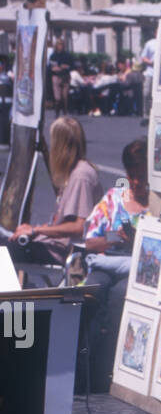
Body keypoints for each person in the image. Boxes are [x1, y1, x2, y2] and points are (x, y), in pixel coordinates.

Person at [3, 117, 103, 286]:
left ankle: (13, 308)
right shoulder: (75, 171)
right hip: (54, 244)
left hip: (60, 250)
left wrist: (36, 230)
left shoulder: (81, 176)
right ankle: (15, 301)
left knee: (6, 251)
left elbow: (80, 227)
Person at [83, 138, 148, 255]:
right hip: (111, 265)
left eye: (142, 176)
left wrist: (136, 240)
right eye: (131, 176)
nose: (136, 182)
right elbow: (90, 242)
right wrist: (116, 238)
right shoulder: (112, 199)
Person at [48, 37, 72, 116]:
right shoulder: (53, 56)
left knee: (64, 97)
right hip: (56, 77)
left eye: (61, 44)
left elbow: (72, 66)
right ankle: (57, 114)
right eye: (58, 44)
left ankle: (65, 113)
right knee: (57, 98)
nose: (60, 46)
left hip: (65, 76)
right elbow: (50, 67)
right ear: (56, 46)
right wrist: (54, 69)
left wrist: (66, 67)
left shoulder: (67, 55)